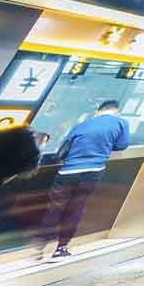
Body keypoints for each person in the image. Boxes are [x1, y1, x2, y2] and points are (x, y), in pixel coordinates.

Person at [38, 100, 130, 260]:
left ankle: (40, 247)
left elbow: (64, 147)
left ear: (98, 111)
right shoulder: (121, 123)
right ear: (116, 111)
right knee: (76, 208)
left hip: (69, 171)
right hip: (93, 171)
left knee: (55, 208)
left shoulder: (82, 124)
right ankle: (61, 248)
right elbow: (122, 145)